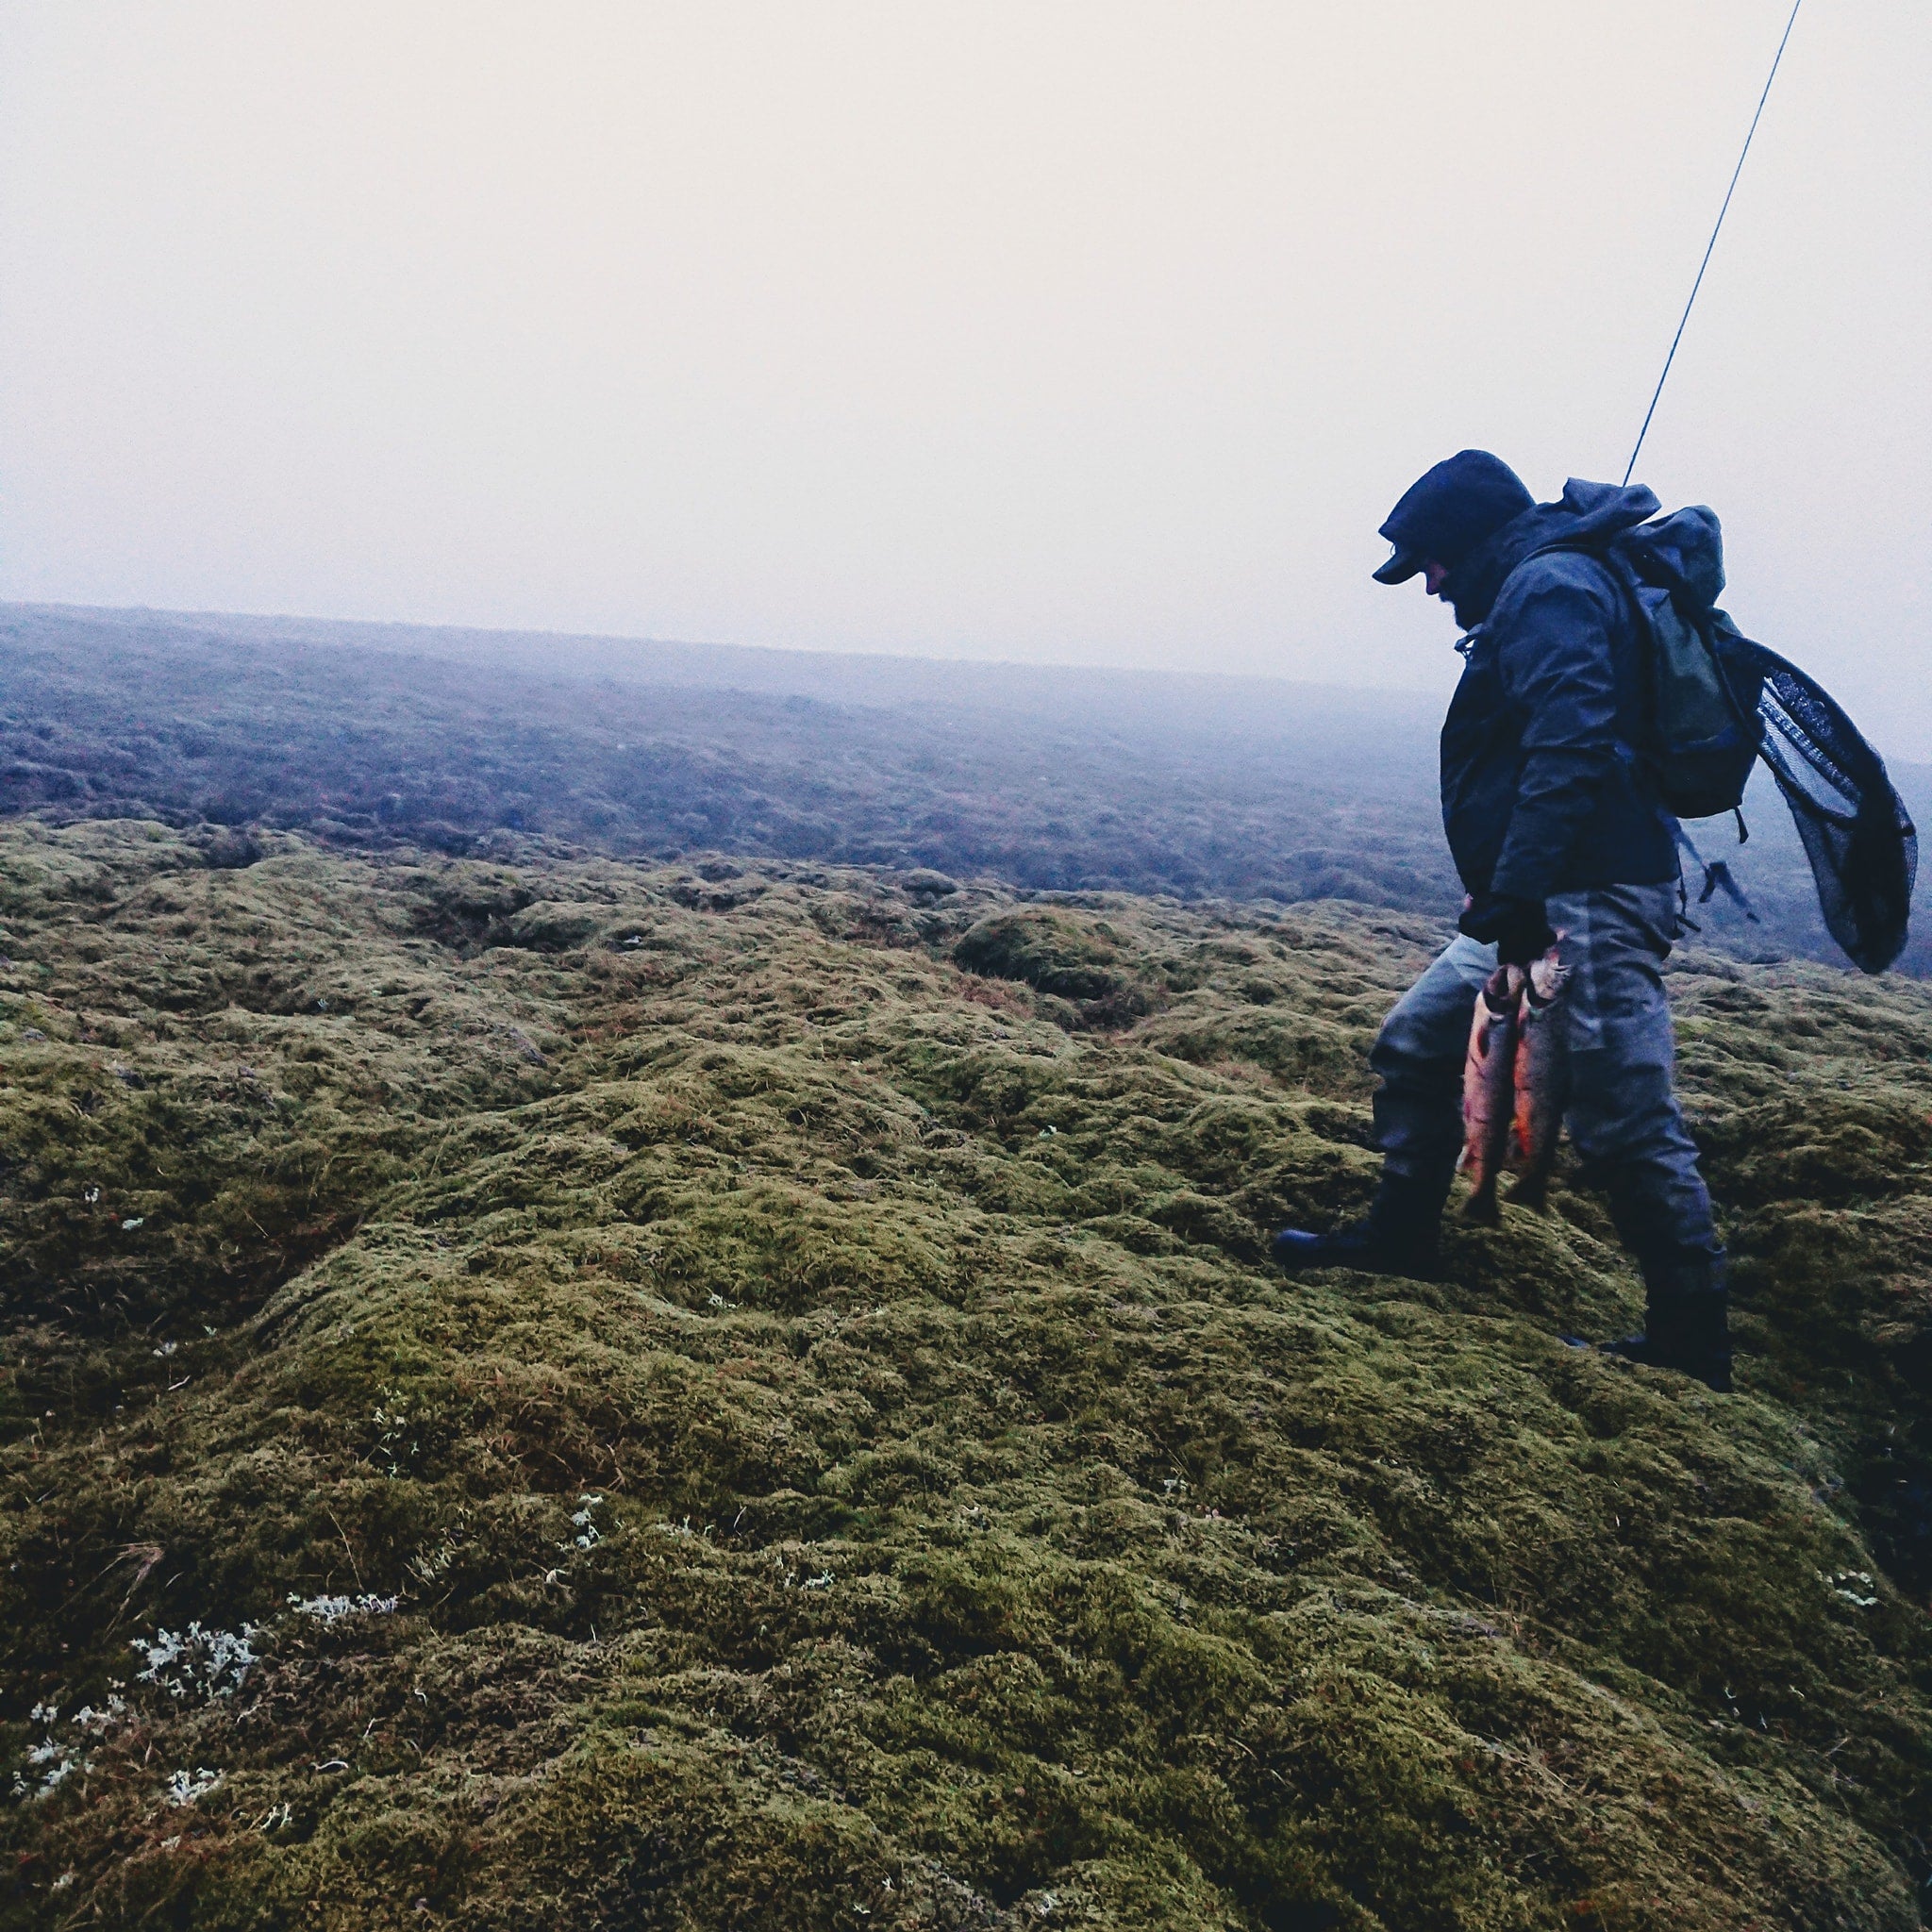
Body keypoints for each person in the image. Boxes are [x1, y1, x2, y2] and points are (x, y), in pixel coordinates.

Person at [1272, 450, 1731, 1391]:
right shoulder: (1535, 584)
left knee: (1618, 1118)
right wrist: (1506, 893)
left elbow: (1569, 742)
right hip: (1532, 897)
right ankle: (1399, 1238)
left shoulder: (1548, 587)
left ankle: (1690, 1340)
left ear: (1471, 540)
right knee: (1416, 1043)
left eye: (1432, 562)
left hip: (1586, 898)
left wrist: (1518, 894)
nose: (1431, 585)